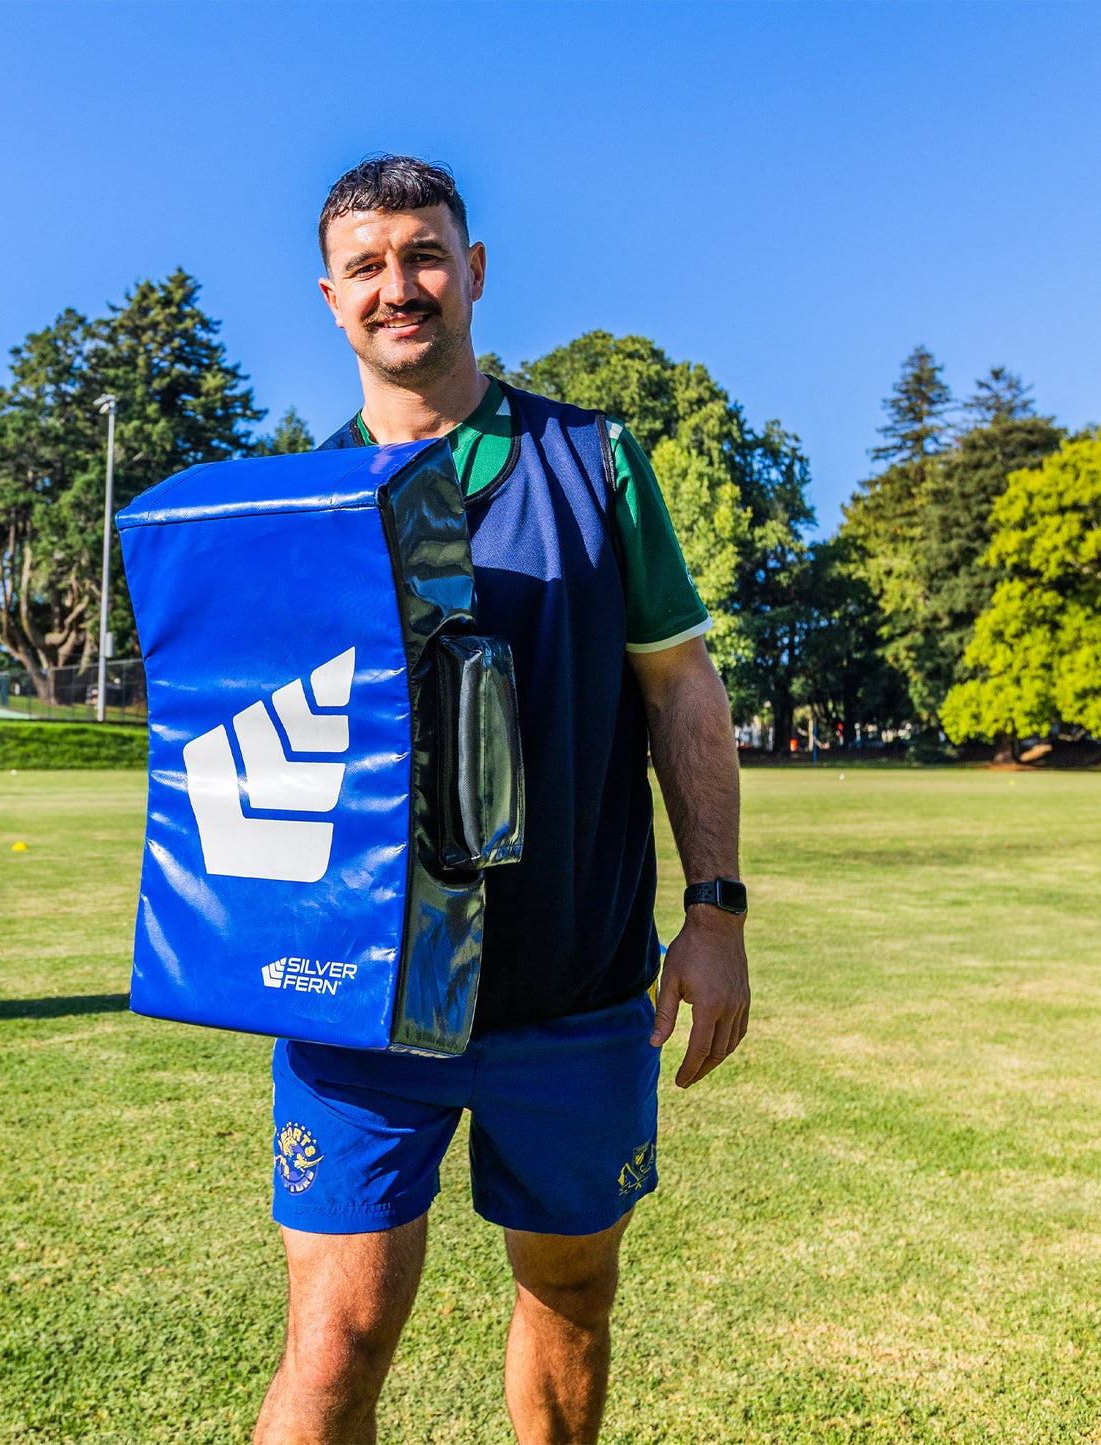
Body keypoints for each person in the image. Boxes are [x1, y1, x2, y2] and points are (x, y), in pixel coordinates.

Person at [252, 157, 751, 1445]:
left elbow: (680, 692)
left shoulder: (594, 462)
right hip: (362, 1005)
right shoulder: (290, 510)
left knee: (571, 1292)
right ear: (328, 297)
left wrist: (715, 909)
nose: (397, 285)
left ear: (472, 271)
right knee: (336, 1336)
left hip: (573, 988)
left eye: (422, 255)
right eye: (366, 265)